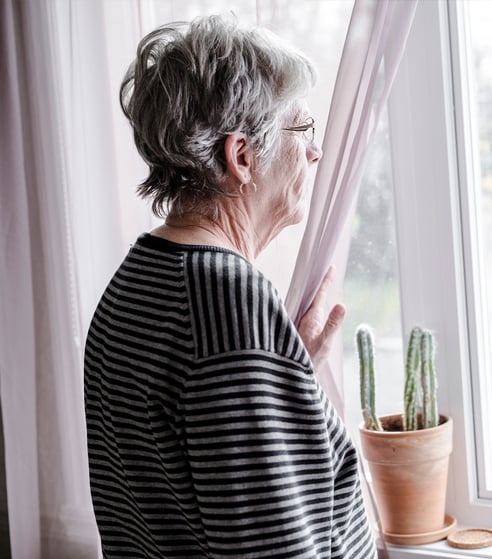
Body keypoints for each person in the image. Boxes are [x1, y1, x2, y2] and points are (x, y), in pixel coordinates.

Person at [84, 15, 376, 558]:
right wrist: (260, 358)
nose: (314, 152)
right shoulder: (228, 304)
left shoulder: (134, 281)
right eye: (302, 131)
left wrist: (282, 383)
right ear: (241, 156)